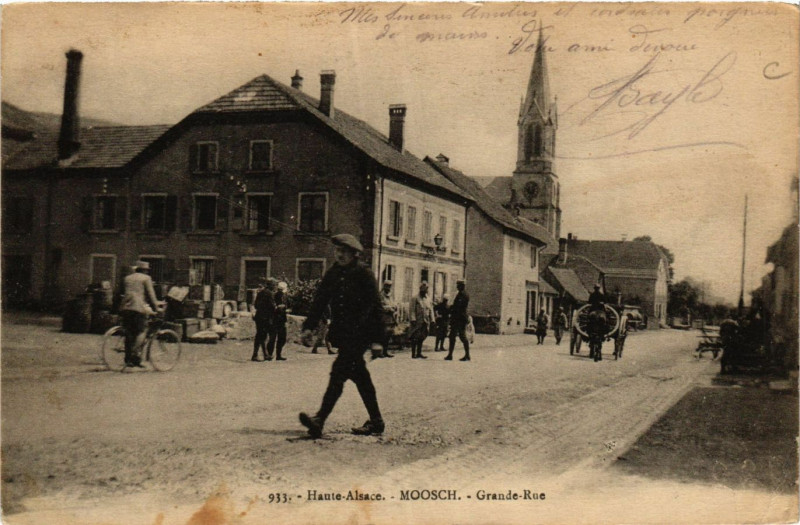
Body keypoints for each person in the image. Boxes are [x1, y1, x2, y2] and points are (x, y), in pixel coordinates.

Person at [298, 234, 385, 438]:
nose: (340, 255)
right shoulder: (334, 274)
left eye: (344, 252)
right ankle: (377, 421)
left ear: (354, 254)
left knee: (338, 373)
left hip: (360, 334)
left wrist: (378, 340)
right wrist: (309, 327)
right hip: (344, 334)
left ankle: (319, 420)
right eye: (337, 251)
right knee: (360, 377)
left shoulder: (364, 274)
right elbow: (320, 301)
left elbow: (376, 308)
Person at [120, 260, 162, 368]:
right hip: (138, 308)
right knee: (142, 330)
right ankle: (135, 353)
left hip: (125, 307)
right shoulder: (146, 278)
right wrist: (157, 307)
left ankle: (131, 360)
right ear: (144, 270)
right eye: (147, 270)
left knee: (129, 333)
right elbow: (151, 294)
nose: (147, 272)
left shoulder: (127, 278)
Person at [445, 280, 471, 361]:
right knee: (453, 336)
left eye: (458, 285)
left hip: (460, 318)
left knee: (461, 336)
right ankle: (450, 355)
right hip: (458, 318)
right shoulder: (462, 294)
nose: (457, 287)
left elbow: (458, 307)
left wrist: (449, 308)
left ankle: (466, 355)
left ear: (462, 286)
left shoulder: (463, 295)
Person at [252, 278, 276, 362]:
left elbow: (255, 305)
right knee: (262, 336)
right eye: (274, 285)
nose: (275, 286)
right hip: (266, 317)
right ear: (270, 285)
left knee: (260, 335)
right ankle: (258, 355)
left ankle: (263, 354)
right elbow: (272, 306)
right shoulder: (270, 294)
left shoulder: (260, 292)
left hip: (259, 316)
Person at [409, 282, 434, 359]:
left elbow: (431, 310)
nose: (425, 292)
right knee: (415, 337)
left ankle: (419, 353)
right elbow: (412, 309)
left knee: (422, 337)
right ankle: (413, 353)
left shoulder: (428, 299)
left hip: (425, 321)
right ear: (420, 290)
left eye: (426, 290)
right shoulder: (415, 298)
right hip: (417, 321)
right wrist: (413, 319)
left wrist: (432, 319)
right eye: (423, 290)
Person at [267, 281, 291, 361]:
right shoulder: (275, 296)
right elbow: (274, 307)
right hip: (275, 319)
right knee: (273, 338)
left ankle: (278, 355)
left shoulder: (285, 296)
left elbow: (287, 305)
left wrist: (286, 309)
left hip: (282, 319)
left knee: (282, 338)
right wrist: (282, 308)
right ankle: (270, 354)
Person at [378, 281, 397, 358]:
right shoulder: (380, 295)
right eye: (387, 286)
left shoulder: (391, 295)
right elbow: (380, 306)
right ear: (384, 286)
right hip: (384, 318)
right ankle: (380, 352)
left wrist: (395, 307)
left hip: (391, 318)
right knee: (383, 335)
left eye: (389, 286)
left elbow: (394, 304)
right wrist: (389, 308)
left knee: (388, 335)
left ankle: (386, 351)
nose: (388, 288)